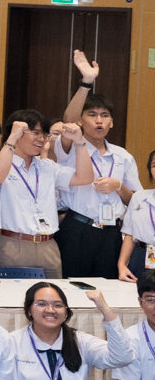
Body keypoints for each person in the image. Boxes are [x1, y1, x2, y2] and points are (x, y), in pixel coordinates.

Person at [0, 112, 93, 278]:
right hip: (11, 245)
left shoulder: (47, 166)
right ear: (17, 133)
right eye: (35, 133)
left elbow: (85, 178)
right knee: (10, 294)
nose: (41, 139)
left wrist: (80, 141)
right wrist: (11, 139)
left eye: (44, 134)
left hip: (48, 245)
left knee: (52, 293)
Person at [57, 86, 141, 280]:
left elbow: (135, 202)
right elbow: (68, 120)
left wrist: (118, 187)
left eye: (104, 115)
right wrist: (86, 83)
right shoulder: (69, 149)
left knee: (110, 287)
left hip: (111, 233)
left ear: (111, 122)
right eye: (92, 114)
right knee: (71, 286)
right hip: (77, 228)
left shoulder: (123, 156)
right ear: (80, 121)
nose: (99, 120)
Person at [120, 156, 155, 281]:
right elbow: (129, 234)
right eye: (154, 165)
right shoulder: (139, 197)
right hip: (141, 256)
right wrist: (122, 265)